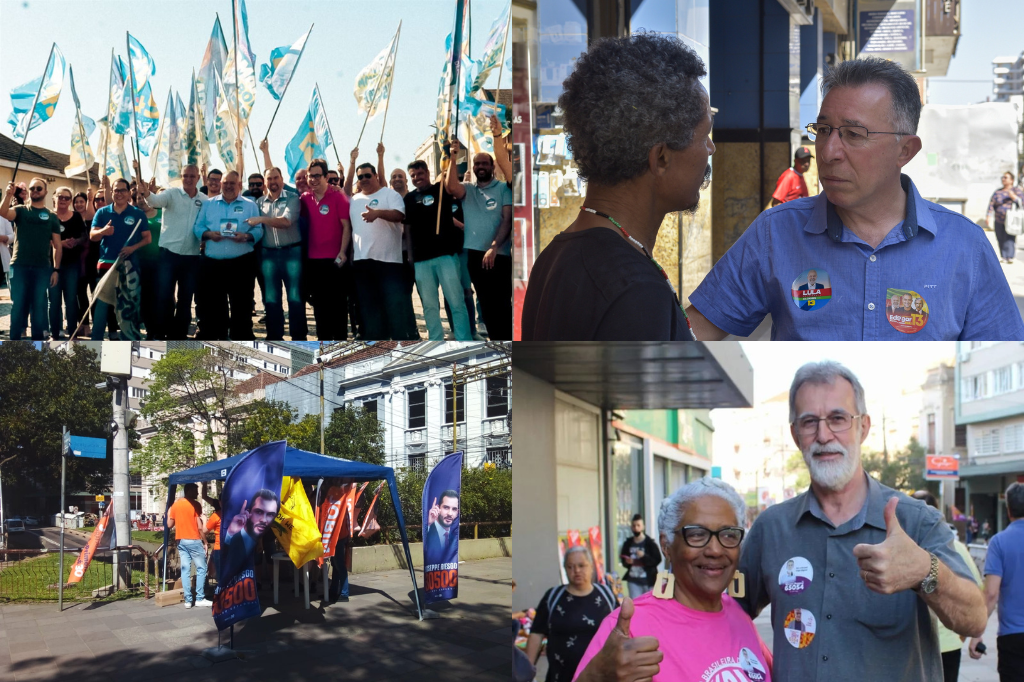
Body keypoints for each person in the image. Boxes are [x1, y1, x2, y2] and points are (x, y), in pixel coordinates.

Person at [687, 57, 1023, 341]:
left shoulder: (965, 247)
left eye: (853, 134)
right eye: (823, 130)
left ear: (905, 150)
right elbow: (690, 336)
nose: (829, 152)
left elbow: (1006, 360)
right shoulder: (776, 233)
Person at [735, 361, 985, 679]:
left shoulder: (917, 521)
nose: (824, 435)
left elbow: (974, 620)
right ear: (796, 435)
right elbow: (726, 614)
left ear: (863, 427)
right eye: (809, 422)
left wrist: (924, 570)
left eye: (838, 419)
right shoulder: (772, 529)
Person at [521, 34, 711, 341]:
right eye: (705, 137)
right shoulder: (636, 289)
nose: (711, 150)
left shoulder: (556, 255)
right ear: (661, 158)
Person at [576, 478, 771, 682]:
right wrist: (595, 677)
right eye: (696, 534)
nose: (715, 550)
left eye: (729, 535)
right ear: (666, 546)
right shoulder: (629, 630)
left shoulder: (739, 616)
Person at [911, 489, 984, 682]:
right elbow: (978, 587)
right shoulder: (955, 547)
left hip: (923, 646)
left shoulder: (950, 547)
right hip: (941, 645)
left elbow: (973, 594)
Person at [446, 138, 513, 340]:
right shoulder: (469, 189)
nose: (480, 167)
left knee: (502, 304)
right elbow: (450, 187)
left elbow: (507, 221)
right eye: (477, 163)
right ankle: (497, 342)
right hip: (475, 256)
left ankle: (509, 344)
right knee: (486, 305)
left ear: (492, 166)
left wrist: (493, 247)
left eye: (485, 163)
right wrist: (453, 156)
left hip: (498, 255)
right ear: (473, 167)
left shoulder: (503, 188)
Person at [136, 164, 207, 339]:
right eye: (185, 176)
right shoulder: (172, 194)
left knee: (185, 299)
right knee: (164, 296)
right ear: (181, 177)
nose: (189, 179)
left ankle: (179, 335)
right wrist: (145, 192)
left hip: (191, 256)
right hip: (168, 254)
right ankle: (159, 333)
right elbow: (153, 201)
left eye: (192, 176)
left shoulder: (204, 200)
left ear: (198, 178)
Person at [526, 546, 617, 682]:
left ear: (591, 566)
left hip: (600, 676)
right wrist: (526, 671)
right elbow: (536, 633)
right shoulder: (553, 597)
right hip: (560, 676)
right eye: (570, 567)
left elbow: (622, 630)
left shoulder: (606, 596)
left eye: (582, 565)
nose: (577, 571)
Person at [403, 159, 472, 340]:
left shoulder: (442, 190)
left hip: (446, 256)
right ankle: (435, 339)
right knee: (430, 305)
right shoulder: (409, 199)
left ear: (427, 173)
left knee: (456, 301)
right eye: (413, 176)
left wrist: (452, 155)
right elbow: (408, 228)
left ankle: (464, 339)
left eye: (420, 174)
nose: (417, 178)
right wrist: (410, 255)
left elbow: (452, 183)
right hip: (421, 260)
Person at [348, 160, 416, 340]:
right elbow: (353, 229)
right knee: (369, 309)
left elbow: (400, 215)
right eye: (360, 176)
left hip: (389, 263)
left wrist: (378, 213)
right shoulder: (354, 200)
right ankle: (377, 345)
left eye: (367, 175)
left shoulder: (390, 194)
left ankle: (400, 345)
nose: (363, 179)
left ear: (376, 176)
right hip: (362, 263)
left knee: (394, 308)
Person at [193, 171, 262, 339]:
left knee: (242, 305)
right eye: (226, 183)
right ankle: (219, 338)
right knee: (216, 306)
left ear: (239, 184)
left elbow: (259, 228)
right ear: (221, 184)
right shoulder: (208, 204)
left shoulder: (250, 205)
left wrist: (246, 236)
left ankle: (242, 338)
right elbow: (197, 227)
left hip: (241, 263)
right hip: (213, 263)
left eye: (233, 183)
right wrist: (209, 235)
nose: (229, 186)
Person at [969, 482, 1024, 681]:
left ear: (1008, 509)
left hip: (1013, 637)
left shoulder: (999, 542)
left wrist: (977, 632)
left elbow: (991, 594)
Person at [88, 178, 151, 340]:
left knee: (127, 310)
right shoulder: (102, 212)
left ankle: (129, 344)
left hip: (129, 268)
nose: (119, 193)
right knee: (101, 307)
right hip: (106, 266)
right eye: (116, 190)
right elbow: (92, 236)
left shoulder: (137, 214)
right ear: (112, 192)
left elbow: (147, 238)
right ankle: (95, 344)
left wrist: (132, 248)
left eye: (123, 190)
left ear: (129, 192)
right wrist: (103, 231)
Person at [0, 179, 62, 340]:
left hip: (42, 268)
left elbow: (57, 245)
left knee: (38, 307)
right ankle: (14, 344)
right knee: (18, 306)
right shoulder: (21, 210)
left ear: (46, 191)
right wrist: (8, 195)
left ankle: (37, 345)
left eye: (39, 188)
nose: (35, 190)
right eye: (32, 188)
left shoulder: (51, 216)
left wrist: (56, 269)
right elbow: (3, 212)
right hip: (19, 266)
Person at [300, 158, 352, 340]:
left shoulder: (338, 196)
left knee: (338, 308)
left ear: (325, 176)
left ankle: (339, 344)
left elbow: (346, 226)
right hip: (314, 262)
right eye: (310, 176)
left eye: (317, 176)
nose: (313, 179)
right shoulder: (305, 199)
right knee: (320, 309)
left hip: (335, 260)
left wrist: (342, 252)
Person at [255, 167, 306, 340]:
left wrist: (261, 219)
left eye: (276, 178)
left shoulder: (293, 199)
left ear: (282, 180)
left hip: (292, 253)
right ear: (265, 182)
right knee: (271, 299)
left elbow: (286, 222)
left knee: (295, 297)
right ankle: (275, 336)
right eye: (269, 179)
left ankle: (299, 337)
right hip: (268, 254)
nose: (273, 182)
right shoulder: (259, 203)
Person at [48, 186, 86, 340]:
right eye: (60, 197)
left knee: (71, 300)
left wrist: (75, 241)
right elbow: (43, 237)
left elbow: (84, 236)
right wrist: (59, 243)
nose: (63, 200)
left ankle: (73, 333)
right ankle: (54, 334)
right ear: (54, 198)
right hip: (52, 266)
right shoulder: (49, 216)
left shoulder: (76, 217)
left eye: (67, 198)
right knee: (54, 301)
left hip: (72, 265)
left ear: (70, 201)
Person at [166, 483, 212, 609]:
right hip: (194, 539)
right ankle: (199, 598)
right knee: (202, 568)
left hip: (181, 540)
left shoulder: (176, 505)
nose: (197, 494)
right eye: (196, 491)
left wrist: (170, 510)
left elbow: (169, 525)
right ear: (190, 491)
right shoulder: (195, 505)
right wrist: (206, 542)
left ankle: (187, 600)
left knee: (185, 570)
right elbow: (199, 527)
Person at [222, 489, 280, 583]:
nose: (264, 520)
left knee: (271, 560)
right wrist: (230, 535)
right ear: (249, 512)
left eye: (270, 514)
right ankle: (258, 583)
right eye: (259, 512)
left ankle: (273, 583)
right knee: (257, 561)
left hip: (269, 539)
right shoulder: (236, 535)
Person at [620, 513, 662, 599]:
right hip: (633, 580)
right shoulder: (628, 543)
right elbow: (623, 559)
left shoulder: (650, 543)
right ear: (631, 527)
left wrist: (644, 556)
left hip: (648, 580)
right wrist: (627, 562)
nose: (636, 528)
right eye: (634, 526)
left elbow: (657, 559)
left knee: (649, 604)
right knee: (636, 606)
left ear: (643, 526)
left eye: (638, 525)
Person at [987, 171, 1024, 264]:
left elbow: (1022, 202)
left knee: (1009, 237)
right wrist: (988, 216)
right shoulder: (998, 192)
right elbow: (991, 204)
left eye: (1006, 177)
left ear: (1011, 180)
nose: (1003, 179)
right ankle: (1003, 256)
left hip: (1011, 219)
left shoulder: (1016, 191)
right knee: (1000, 237)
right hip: (999, 219)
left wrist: (1014, 197)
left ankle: (1010, 256)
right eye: (1003, 177)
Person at [424, 490, 460, 567]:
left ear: (457, 513)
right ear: (438, 508)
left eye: (454, 509)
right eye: (446, 508)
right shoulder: (428, 529)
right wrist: (428, 524)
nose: (450, 513)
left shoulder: (454, 538)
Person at [205, 498, 222, 592]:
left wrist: (203, 521)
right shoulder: (234, 514)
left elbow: (205, 531)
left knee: (219, 574)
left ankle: (221, 594)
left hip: (219, 548)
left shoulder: (215, 516)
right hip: (232, 548)